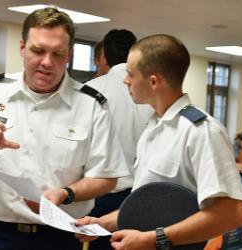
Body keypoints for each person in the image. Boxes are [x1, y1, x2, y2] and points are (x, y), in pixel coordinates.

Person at [0, 7, 129, 250]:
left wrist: (65, 194)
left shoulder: (91, 105)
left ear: (69, 55)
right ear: (23, 47)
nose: (47, 62)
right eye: (38, 50)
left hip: (57, 236)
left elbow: (105, 177)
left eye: (58, 53)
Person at [76, 34, 242, 249]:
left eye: (131, 74)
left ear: (154, 81)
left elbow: (232, 213)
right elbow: (150, 205)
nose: (125, 80)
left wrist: (154, 239)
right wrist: (102, 223)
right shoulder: (153, 127)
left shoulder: (200, 132)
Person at [84, 29, 153, 250]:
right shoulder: (153, 93)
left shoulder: (89, 91)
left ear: (103, 57)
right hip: (141, 198)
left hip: (99, 199)